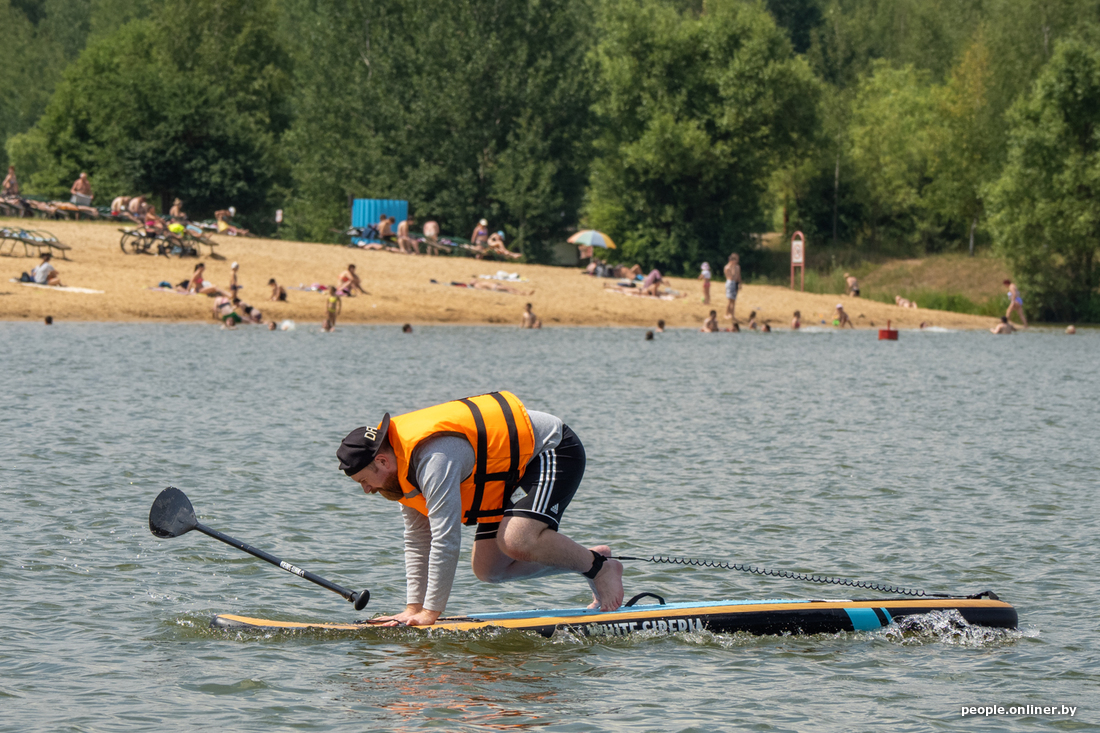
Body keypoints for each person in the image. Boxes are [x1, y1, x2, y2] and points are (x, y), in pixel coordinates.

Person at [337, 392, 625, 626]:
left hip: (550, 449)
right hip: (502, 471)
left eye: (364, 480)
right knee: (490, 570)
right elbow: (418, 540)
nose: (367, 490)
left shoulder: (433, 461)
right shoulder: (397, 477)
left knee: (517, 540)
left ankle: (599, 569)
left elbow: (445, 540)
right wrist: (413, 608)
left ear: (384, 462)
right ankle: (590, 558)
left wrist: (430, 614)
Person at [723, 254, 741, 321]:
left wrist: (739, 283)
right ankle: (726, 314)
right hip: (730, 283)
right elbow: (731, 276)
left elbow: (738, 276)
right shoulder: (727, 267)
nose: (737, 261)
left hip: (735, 283)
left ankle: (732, 314)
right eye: (736, 259)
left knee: (734, 300)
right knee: (729, 300)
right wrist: (732, 266)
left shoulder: (737, 267)